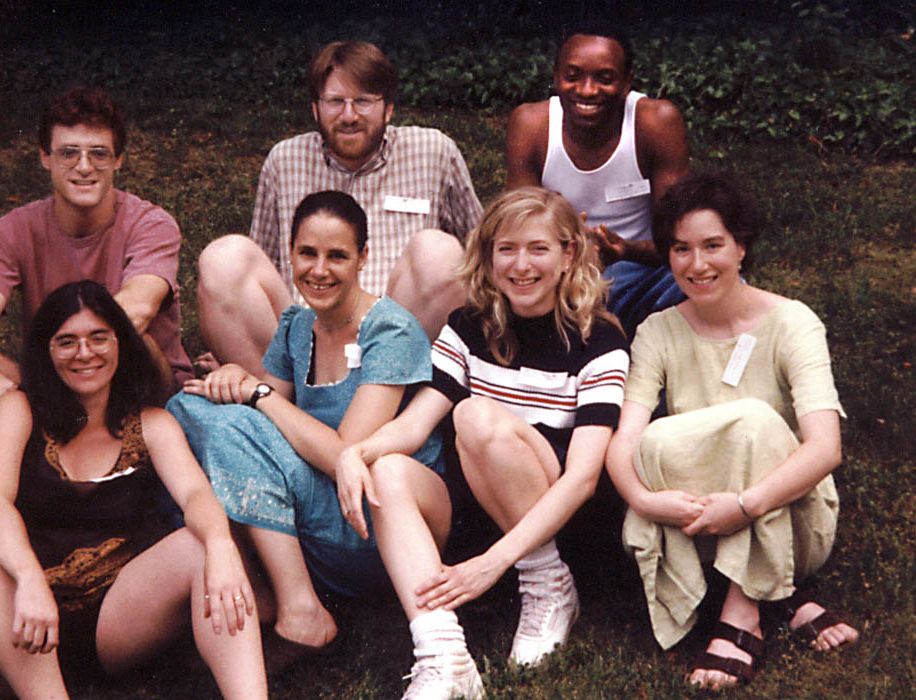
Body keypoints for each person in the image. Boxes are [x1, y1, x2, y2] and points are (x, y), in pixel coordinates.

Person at [0, 87, 194, 650]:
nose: (84, 166)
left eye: (98, 152)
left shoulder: (152, 223)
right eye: (68, 152)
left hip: (144, 383)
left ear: (119, 158)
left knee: (121, 340)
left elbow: (133, 309)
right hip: (62, 376)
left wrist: (73, 354)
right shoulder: (12, 230)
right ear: (44, 157)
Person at [336, 187, 629, 697]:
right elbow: (414, 425)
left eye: (538, 249)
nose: (521, 265)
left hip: (556, 516)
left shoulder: (600, 340)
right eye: (506, 249)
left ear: (569, 255)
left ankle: (548, 585)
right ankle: (443, 651)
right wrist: (355, 453)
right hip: (474, 507)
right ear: (488, 256)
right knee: (388, 469)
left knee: (474, 416)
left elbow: (583, 479)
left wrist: (491, 565)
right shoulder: (469, 326)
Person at [0, 281, 265, 700]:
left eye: (99, 338)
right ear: (46, 350)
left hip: (106, 622)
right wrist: (28, 580)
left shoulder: (151, 424)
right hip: (10, 621)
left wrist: (222, 546)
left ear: (121, 344)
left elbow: (196, 496)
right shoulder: (18, 410)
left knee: (202, 547)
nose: (85, 353)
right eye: (67, 341)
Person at [167, 191, 442, 673]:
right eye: (307, 254)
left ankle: (301, 609)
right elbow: (265, 410)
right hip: (318, 501)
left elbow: (344, 453)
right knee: (191, 407)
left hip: (372, 521)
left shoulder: (391, 331)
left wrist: (257, 396)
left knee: (233, 428)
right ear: (290, 254)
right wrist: (235, 383)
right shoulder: (297, 324)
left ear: (363, 258)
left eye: (337, 256)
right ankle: (263, 583)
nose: (319, 269)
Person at [604, 173, 859, 690]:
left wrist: (741, 506)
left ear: (742, 247)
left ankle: (741, 613)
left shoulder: (793, 322)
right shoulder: (657, 330)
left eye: (713, 245)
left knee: (755, 420)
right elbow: (624, 442)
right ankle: (784, 595)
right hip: (695, 521)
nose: (697, 265)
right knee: (652, 440)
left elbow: (826, 448)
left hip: (791, 517)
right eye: (681, 249)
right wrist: (647, 503)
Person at [196, 40, 483, 376]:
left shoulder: (434, 152)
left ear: (388, 108)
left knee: (440, 252)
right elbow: (265, 262)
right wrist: (237, 337)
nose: (348, 116)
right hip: (304, 342)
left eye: (363, 101)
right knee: (224, 258)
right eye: (335, 102)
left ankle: (390, 394)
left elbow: (482, 250)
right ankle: (274, 395)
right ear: (316, 109)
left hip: (394, 338)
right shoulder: (284, 161)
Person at [506, 20, 691, 338]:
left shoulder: (655, 123)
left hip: (641, 273)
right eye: (573, 76)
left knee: (706, 277)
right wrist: (569, 254)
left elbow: (682, 238)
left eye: (605, 78)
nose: (587, 90)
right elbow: (516, 231)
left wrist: (624, 251)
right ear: (556, 76)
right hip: (556, 275)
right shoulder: (532, 125)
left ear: (627, 81)